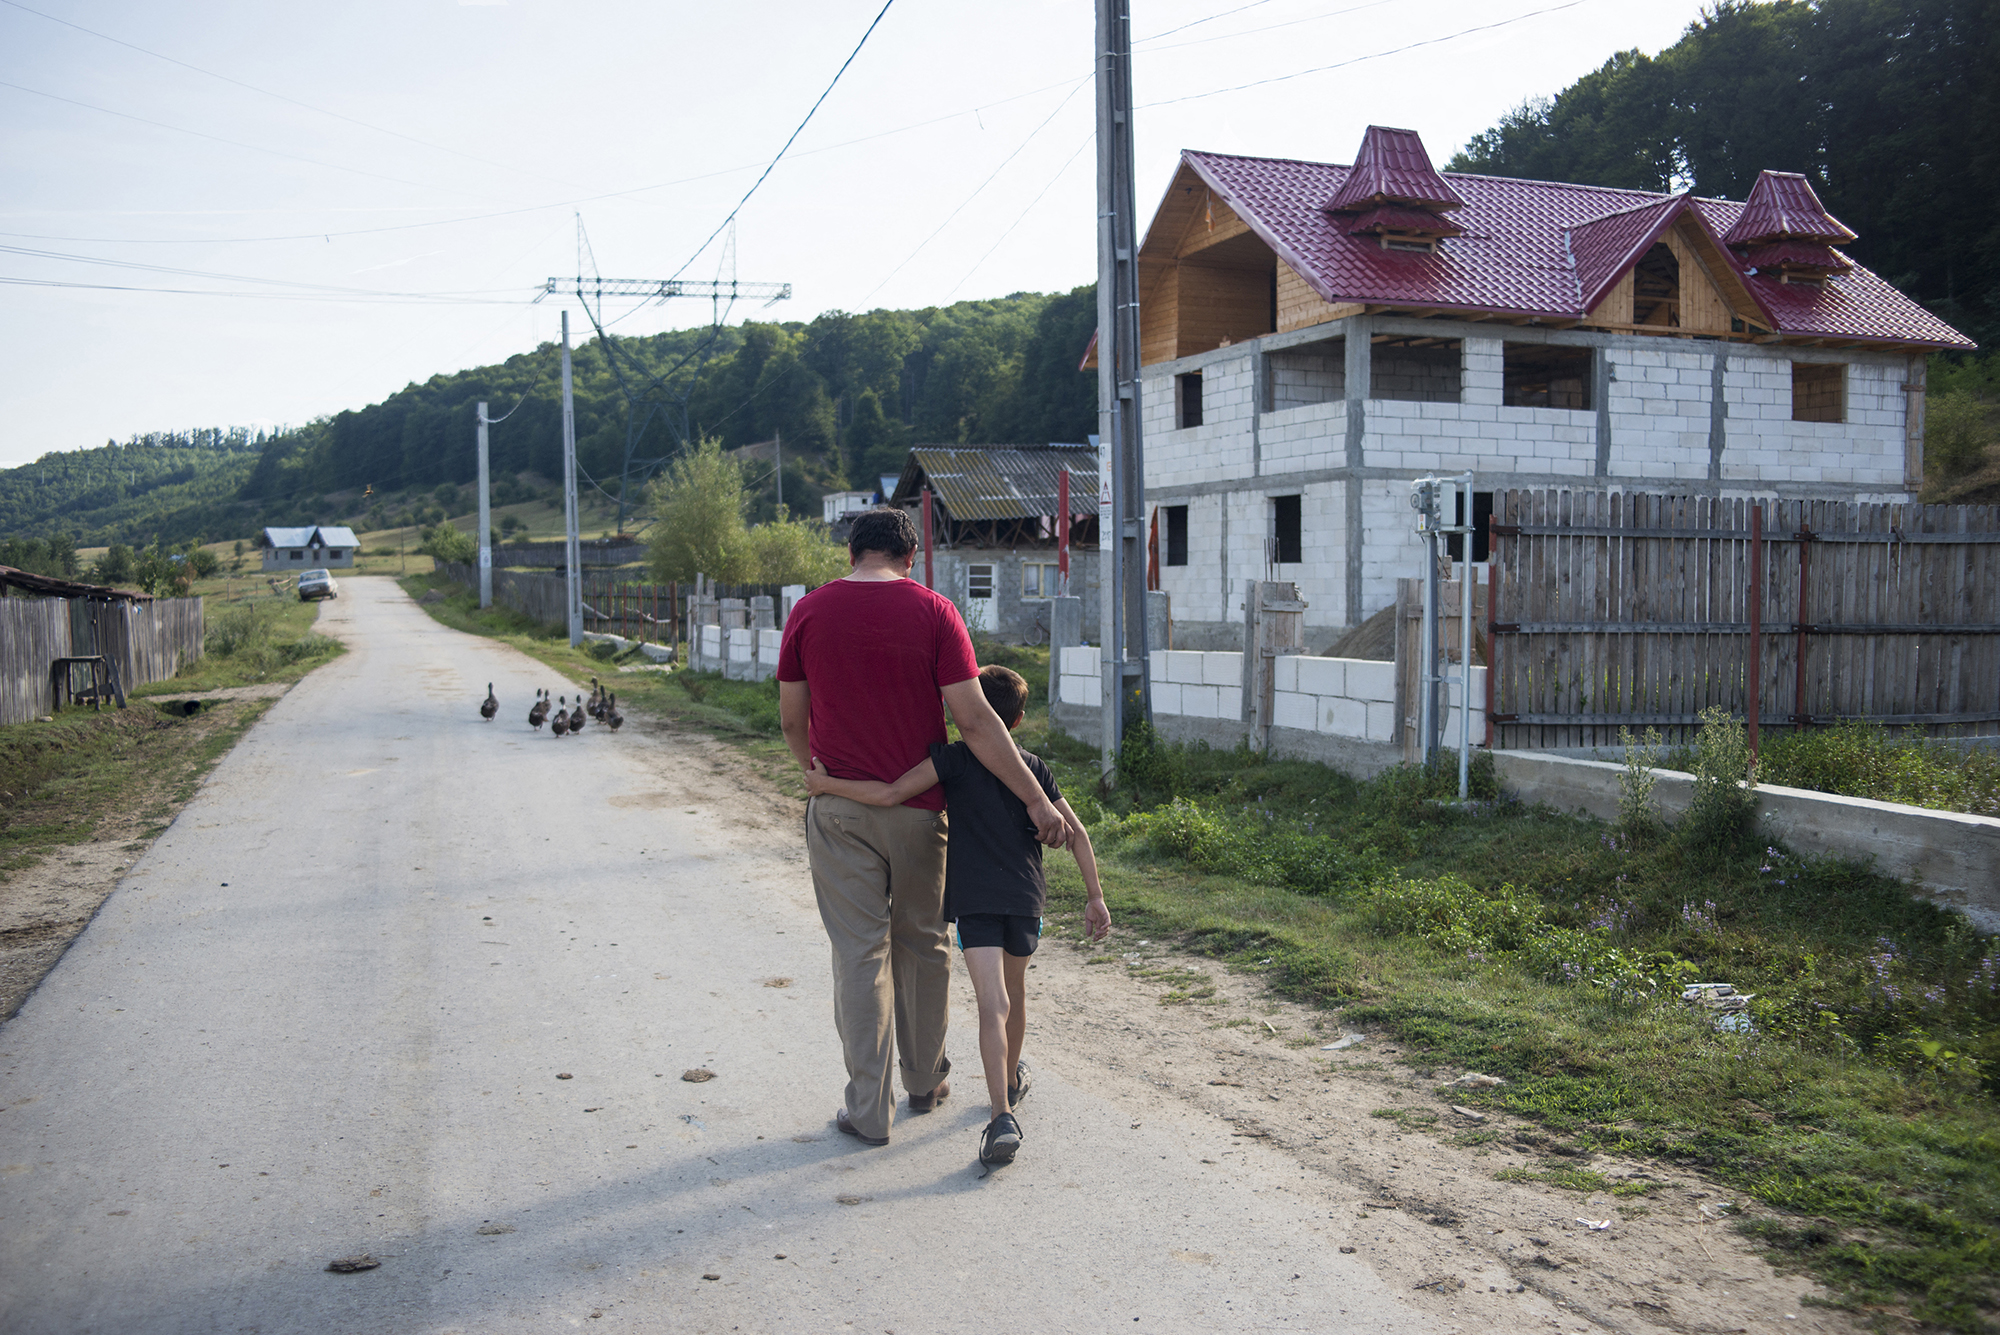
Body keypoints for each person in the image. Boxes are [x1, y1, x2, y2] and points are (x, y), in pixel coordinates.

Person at [776, 508, 1071, 1149]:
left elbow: (792, 719)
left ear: (852, 551)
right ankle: (923, 1082)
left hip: (840, 809)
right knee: (924, 943)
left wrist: (817, 774)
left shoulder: (808, 612)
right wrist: (1036, 800)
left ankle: (867, 1111)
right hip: (919, 812)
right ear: (910, 558)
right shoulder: (936, 612)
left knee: (859, 954)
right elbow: (975, 721)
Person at [806, 664, 1109, 1166]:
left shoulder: (953, 761)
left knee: (992, 1005)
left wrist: (827, 784)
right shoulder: (1033, 768)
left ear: (969, 712)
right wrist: (1095, 896)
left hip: (974, 900)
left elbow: (887, 794)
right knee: (1015, 997)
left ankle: (1001, 1113)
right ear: (1016, 721)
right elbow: (1074, 832)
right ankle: (1010, 1081)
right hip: (1025, 898)